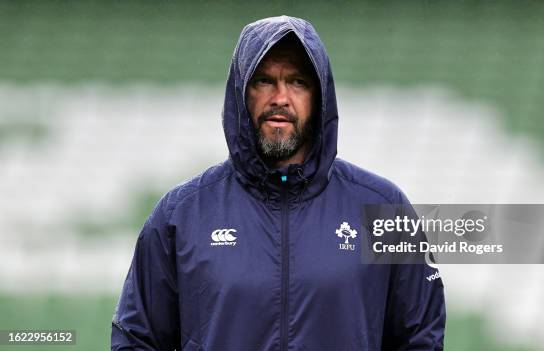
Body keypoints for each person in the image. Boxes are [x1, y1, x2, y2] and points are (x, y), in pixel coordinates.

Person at [111, 15, 445, 350]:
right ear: (242, 93)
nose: (280, 98)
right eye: (264, 81)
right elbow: (137, 339)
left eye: (298, 82)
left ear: (319, 96)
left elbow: (421, 337)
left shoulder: (384, 207)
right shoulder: (181, 214)